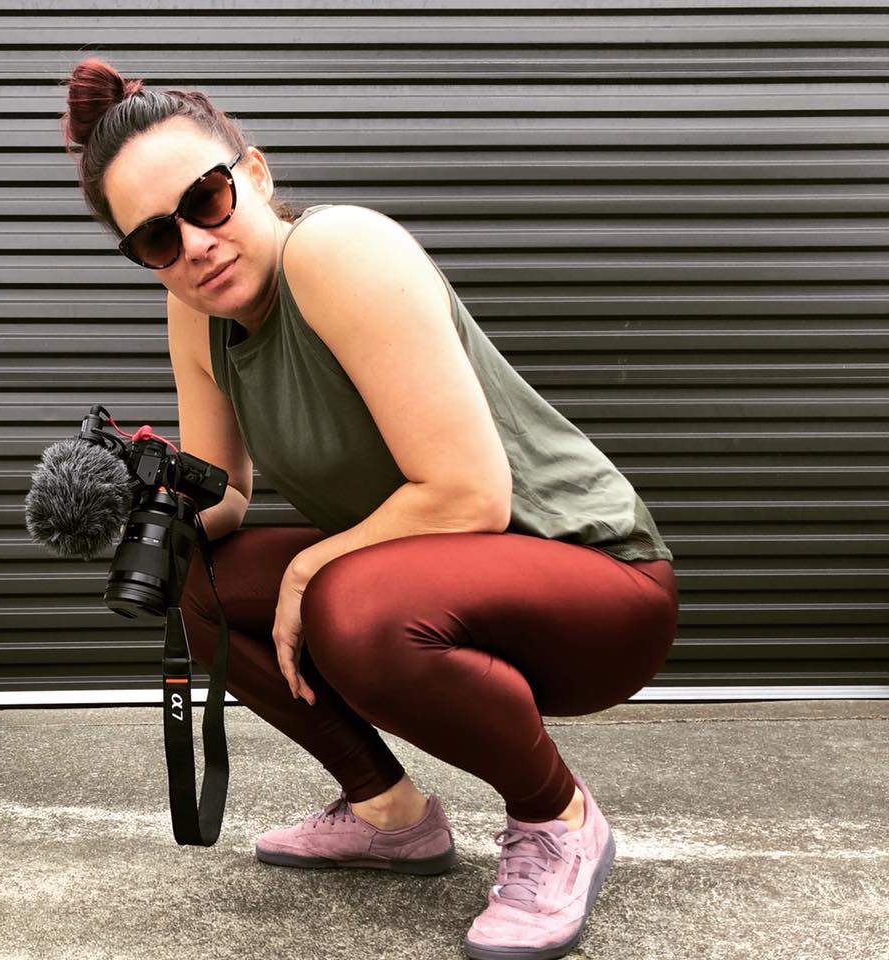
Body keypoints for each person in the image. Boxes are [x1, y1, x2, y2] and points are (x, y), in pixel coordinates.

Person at [61, 56, 679, 960]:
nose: (192, 245)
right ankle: (390, 815)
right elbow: (225, 494)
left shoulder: (339, 248)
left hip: (596, 584)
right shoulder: (195, 312)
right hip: (435, 582)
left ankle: (560, 819)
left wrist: (313, 564)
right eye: (156, 238)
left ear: (256, 174)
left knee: (349, 600)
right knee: (197, 578)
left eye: (206, 200)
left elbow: (469, 493)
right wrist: (146, 496)